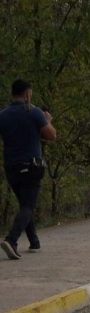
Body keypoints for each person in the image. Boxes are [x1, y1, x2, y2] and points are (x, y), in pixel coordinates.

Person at [0, 80, 57, 260]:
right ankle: (12, 240)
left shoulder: (3, 115)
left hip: (11, 167)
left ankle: (34, 241)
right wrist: (47, 121)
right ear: (27, 94)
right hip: (31, 166)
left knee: (25, 203)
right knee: (28, 205)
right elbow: (51, 135)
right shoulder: (34, 112)